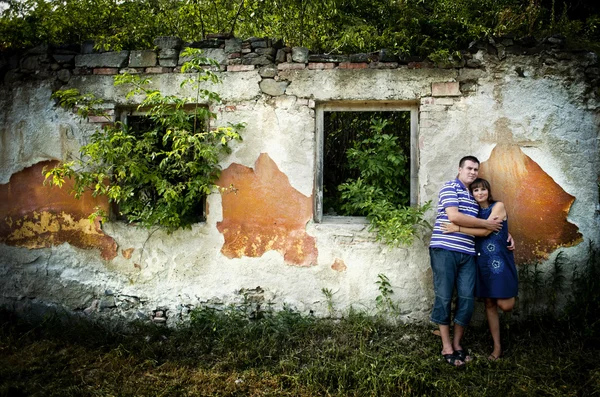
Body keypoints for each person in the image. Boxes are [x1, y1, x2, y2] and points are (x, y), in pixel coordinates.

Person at [429, 156, 505, 367]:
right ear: (460, 169)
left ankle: (457, 344)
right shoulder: (449, 187)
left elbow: (487, 228)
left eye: (476, 170)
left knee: (467, 299)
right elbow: (454, 216)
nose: (472, 172)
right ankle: (446, 347)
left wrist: (505, 235)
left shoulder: (474, 196)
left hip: (468, 253)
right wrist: (486, 223)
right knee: (444, 297)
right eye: (469, 168)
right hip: (444, 249)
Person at [441, 178, 518, 361]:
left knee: (506, 305)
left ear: (488, 191)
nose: (480, 193)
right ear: (472, 194)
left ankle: (499, 342)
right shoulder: (474, 213)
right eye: (476, 190)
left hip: (499, 262)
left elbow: (485, 232)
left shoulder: (497, 206)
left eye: (483, 189)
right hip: (481, 262)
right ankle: (497, 348)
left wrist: (457, 228)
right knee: (489, 304)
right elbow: (475, 228)